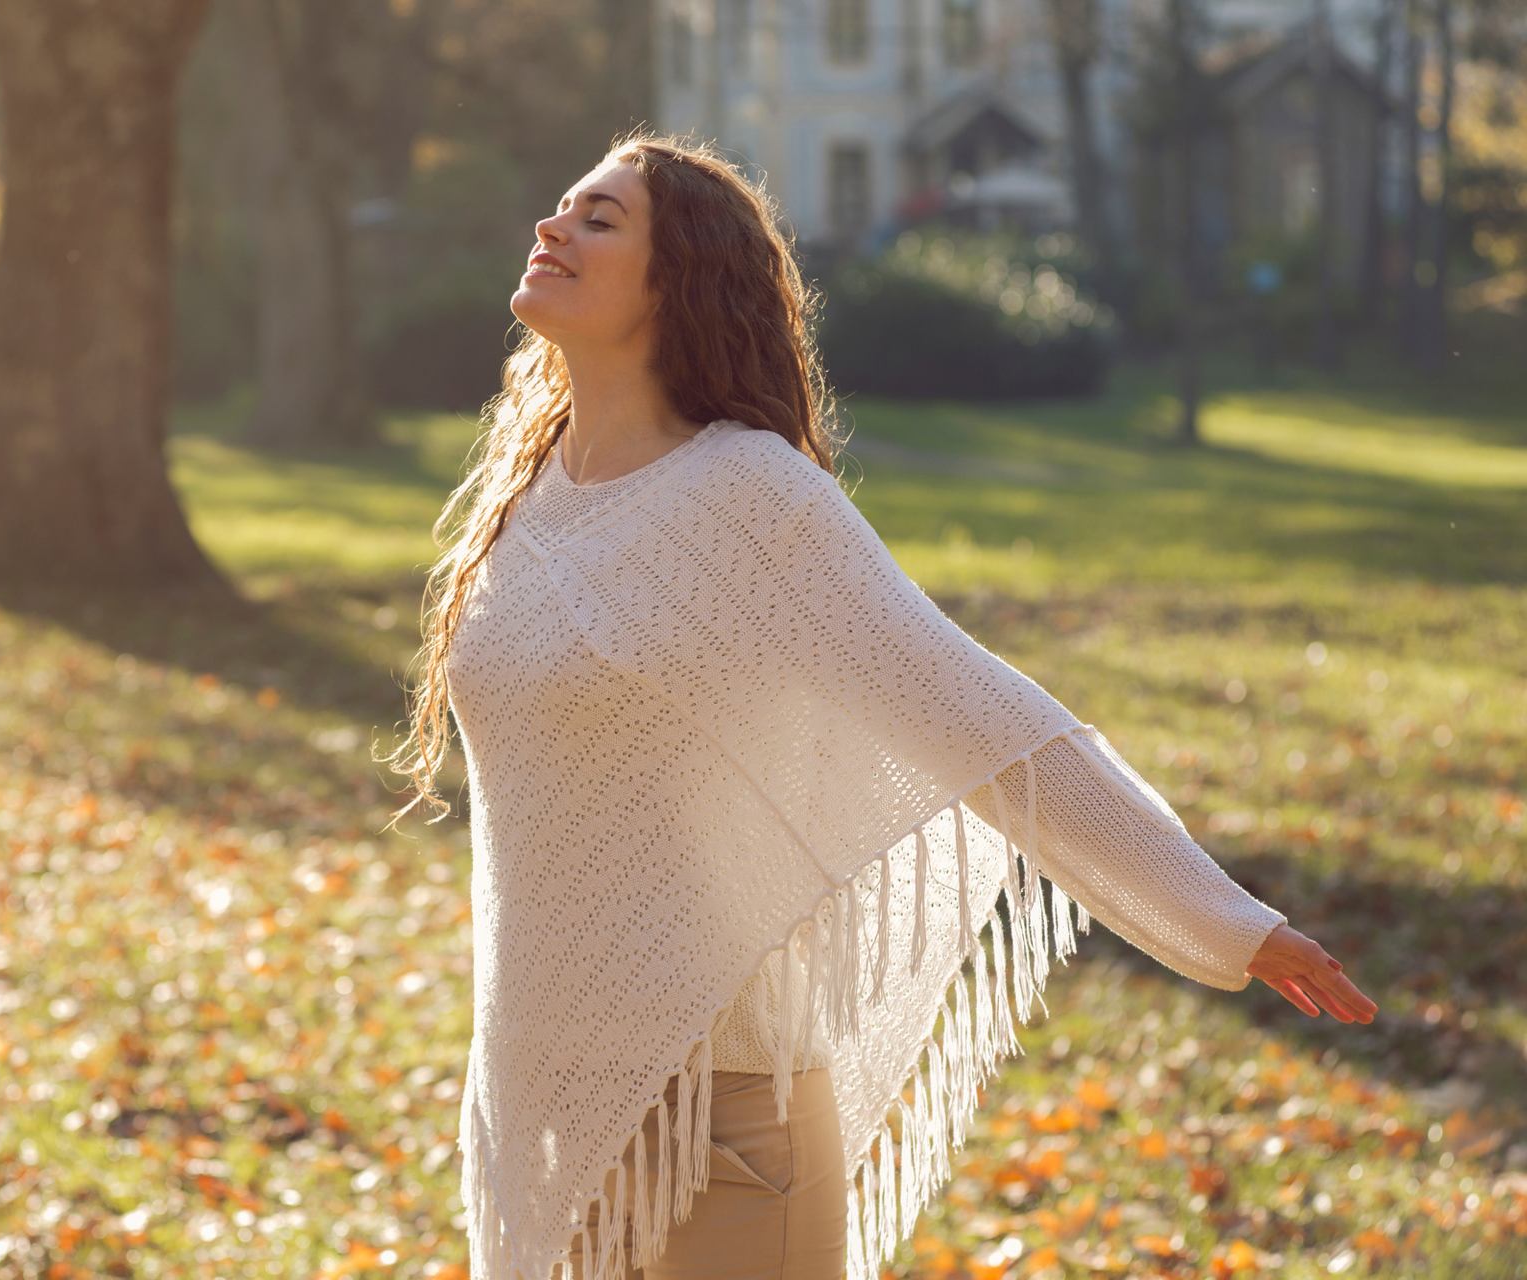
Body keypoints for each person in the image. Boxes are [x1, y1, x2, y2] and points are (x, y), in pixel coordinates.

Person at [390, 135, 1377, 1280]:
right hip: (536, 1095)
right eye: (559, 207)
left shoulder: (753, 497)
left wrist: (1224, 919)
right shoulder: (525, 492)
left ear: (682, 278)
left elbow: (984, 718)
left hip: (722, 1123)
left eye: (600, 218)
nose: (551, 228)